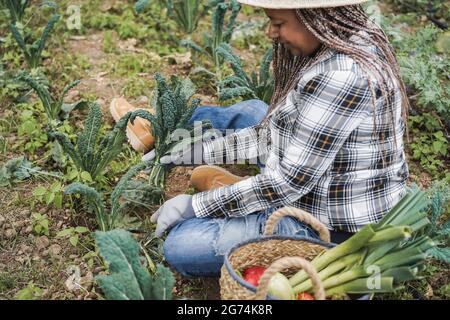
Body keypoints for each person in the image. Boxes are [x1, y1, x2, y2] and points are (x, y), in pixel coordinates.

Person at [110, 0, 410, 277]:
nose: (271, 32)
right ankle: (163, 126)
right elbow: (271, 134)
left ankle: (242, 198)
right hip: (316, 176)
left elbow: (287, 183)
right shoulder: (345, 32)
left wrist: (195, 206)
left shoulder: (342, 76)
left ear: (314, 17)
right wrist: (196, 152)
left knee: (184, 245)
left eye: (278, 23)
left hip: (326, 225)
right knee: (255, 111)